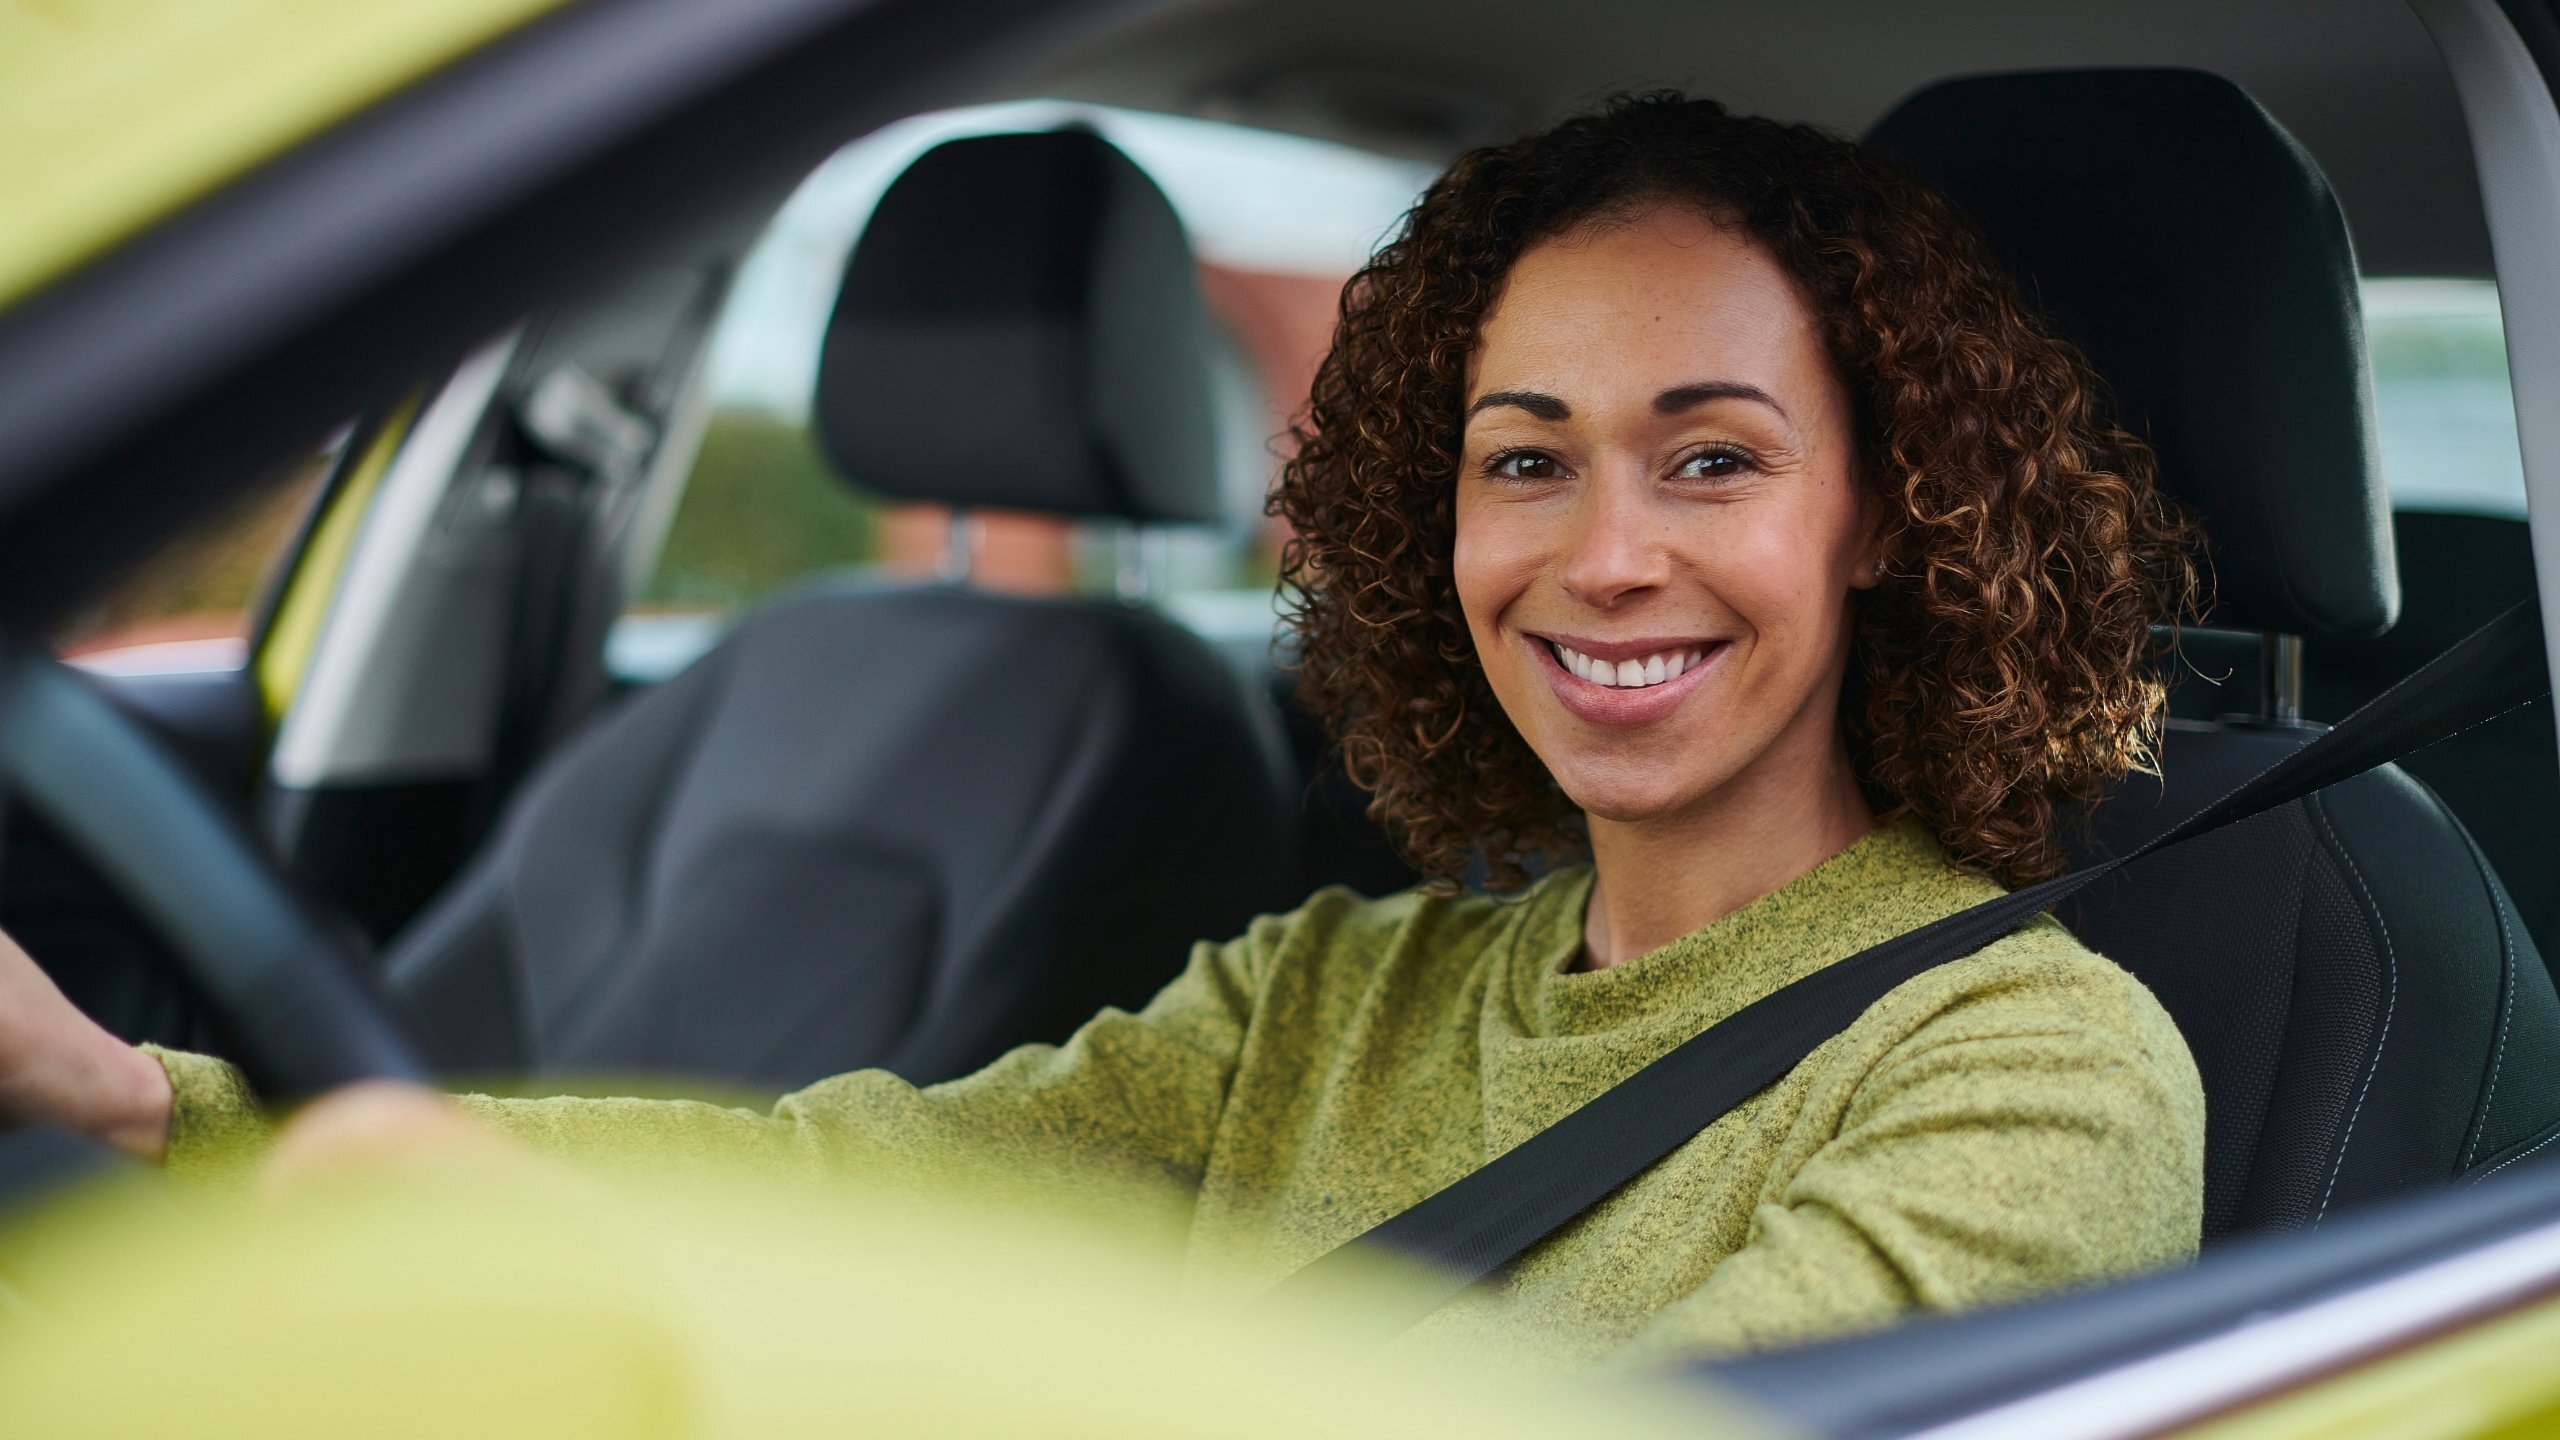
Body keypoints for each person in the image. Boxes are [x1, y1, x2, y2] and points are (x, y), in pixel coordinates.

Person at [0, 93, 2205, 1369]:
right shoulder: (1336, 990)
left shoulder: (2029, 1070)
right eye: (1521, 460)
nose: (1597, 555)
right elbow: (844, 1181)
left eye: (1708, 460)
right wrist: (134, 1107)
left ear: (1889, 523)